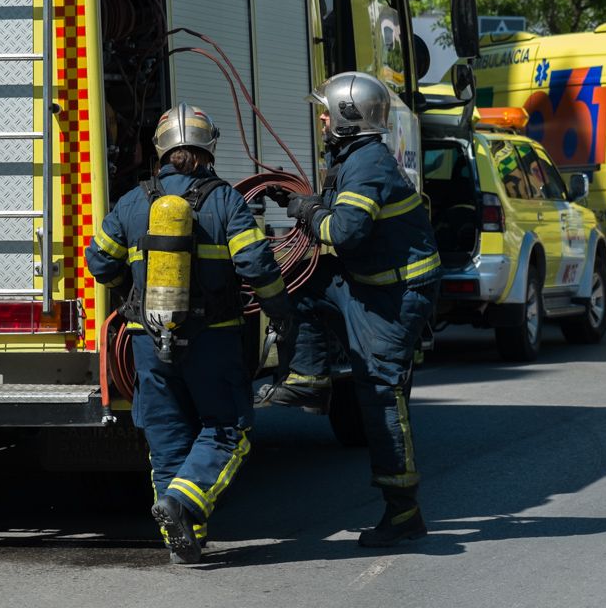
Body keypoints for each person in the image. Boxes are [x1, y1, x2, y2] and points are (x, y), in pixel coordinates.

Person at [85, 103, 294, 565]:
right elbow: (256, 264)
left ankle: (185, 542)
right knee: (227, 429)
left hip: (147, 342)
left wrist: (130, 286)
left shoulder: (134, 201)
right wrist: (282, 309)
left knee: (167, 441)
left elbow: (99, 261)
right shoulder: (225, 201)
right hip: (213, 340)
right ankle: (183, 506)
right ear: (207, 147)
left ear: (162, 149)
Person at [257, 71, 441, 548]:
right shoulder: (355, 159)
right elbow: (343, 214)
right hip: (368, 286)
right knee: (300, 280)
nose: (320, 118)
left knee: (379, 394)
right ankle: (310, 379)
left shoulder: (366, 164)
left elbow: (344, 232)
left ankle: (404, 511)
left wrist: (306, 213)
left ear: (346, 116)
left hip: (395, 298)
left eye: (326, 111)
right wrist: (305, 201)